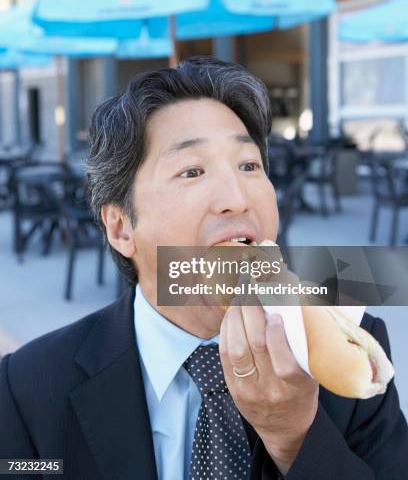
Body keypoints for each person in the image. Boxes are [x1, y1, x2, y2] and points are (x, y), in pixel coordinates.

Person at [0, 56, 407, 480]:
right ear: (121, 227)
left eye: (249, 166)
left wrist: (294, 436)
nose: (237, 198)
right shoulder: (27, 388)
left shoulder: (354, 352)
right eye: (192, 171)